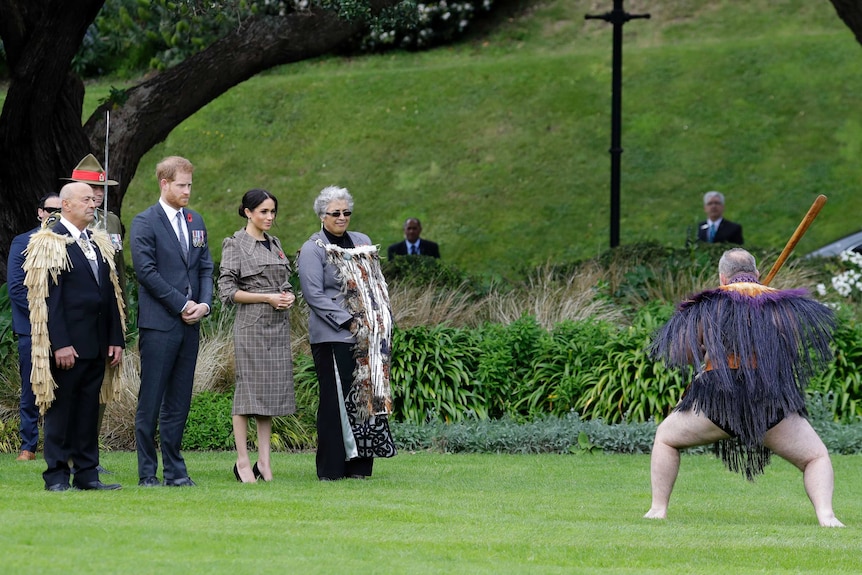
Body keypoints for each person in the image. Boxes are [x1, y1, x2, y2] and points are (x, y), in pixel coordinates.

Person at [644, 248, 843, 527]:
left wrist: (705, 345)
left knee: (665, 438)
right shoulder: (779, 307)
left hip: (718, 400)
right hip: (766, 401)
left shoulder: (708, 305)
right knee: (815, 456)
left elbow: (684, 354)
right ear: (757, 275)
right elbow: (788, 348)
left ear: (723, 278)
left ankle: (658, 509)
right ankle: (827, 515)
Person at [24, 182, 124, 491]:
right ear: (66, 205)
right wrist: (61, 343)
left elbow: (108, 294)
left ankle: (87, 475)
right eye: (86, 200)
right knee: (61, 411)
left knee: (87, 412)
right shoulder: (52, 242)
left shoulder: (96, 242)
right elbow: (49, 299)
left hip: (96, 344)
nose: (93, 203)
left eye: (93, 200)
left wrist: (115, 338)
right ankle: (56, 476)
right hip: (68, 345)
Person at [297, 185, 397, 480]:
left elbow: (376, 283)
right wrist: (349, 321)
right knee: (334, 400)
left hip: (368, 338)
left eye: (346, 212)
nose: (342, 218)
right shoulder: (312, 249)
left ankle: (360, 467)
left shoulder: (362, 242)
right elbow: (314, 295)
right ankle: (331, 468)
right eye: (335, 213)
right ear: (322, 215)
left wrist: (379, 319)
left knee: (366, 399)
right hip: (333, 336)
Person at [131, 156, 213, 488]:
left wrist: (204, 305)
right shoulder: (144, 222)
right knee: (150, 400)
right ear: (164, 184)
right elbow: (146, 272)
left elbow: (205, 266)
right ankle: (147, 472)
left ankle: (176, 471)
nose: (187, 191)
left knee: (179, 401)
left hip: (190, 324)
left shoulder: (195, 220)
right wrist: (181, 303)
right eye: (181, 185)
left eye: (190, 185)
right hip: (159, 324)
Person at [218, 189, 296, 483]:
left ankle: (264, 463)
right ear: (248, 212)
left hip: (277, 327)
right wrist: (267, 298)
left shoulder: (274, 244)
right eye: (263, 211)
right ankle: (242, 462)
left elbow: (283, 282)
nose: (270, 217)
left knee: (269, 396)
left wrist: (287, 296)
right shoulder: (235, 244)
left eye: (273, 211)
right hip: (251, 328)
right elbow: (226, 291)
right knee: (247, 395)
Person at [64, 153, 127, 475]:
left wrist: (122, 313)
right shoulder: (56, 226)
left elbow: (118, 271)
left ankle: (90, 454)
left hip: (106, 316)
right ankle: (68, 455)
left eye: (101, 188)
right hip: (75, 321)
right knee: (72, 390)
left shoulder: (112, 221)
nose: (98, 194)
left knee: (99, 390)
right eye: (90, 188)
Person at [7, 193, 63, 461]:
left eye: (61, 210)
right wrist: (46, 320)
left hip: (66, 331)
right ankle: (28, 446)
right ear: (40, 212)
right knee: (31, 388)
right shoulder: (23, 242)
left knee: (65, 389)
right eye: (51, 209)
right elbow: (17, 289)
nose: (55, 214)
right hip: (32, 329)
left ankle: (62, 445)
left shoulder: (69, 242)